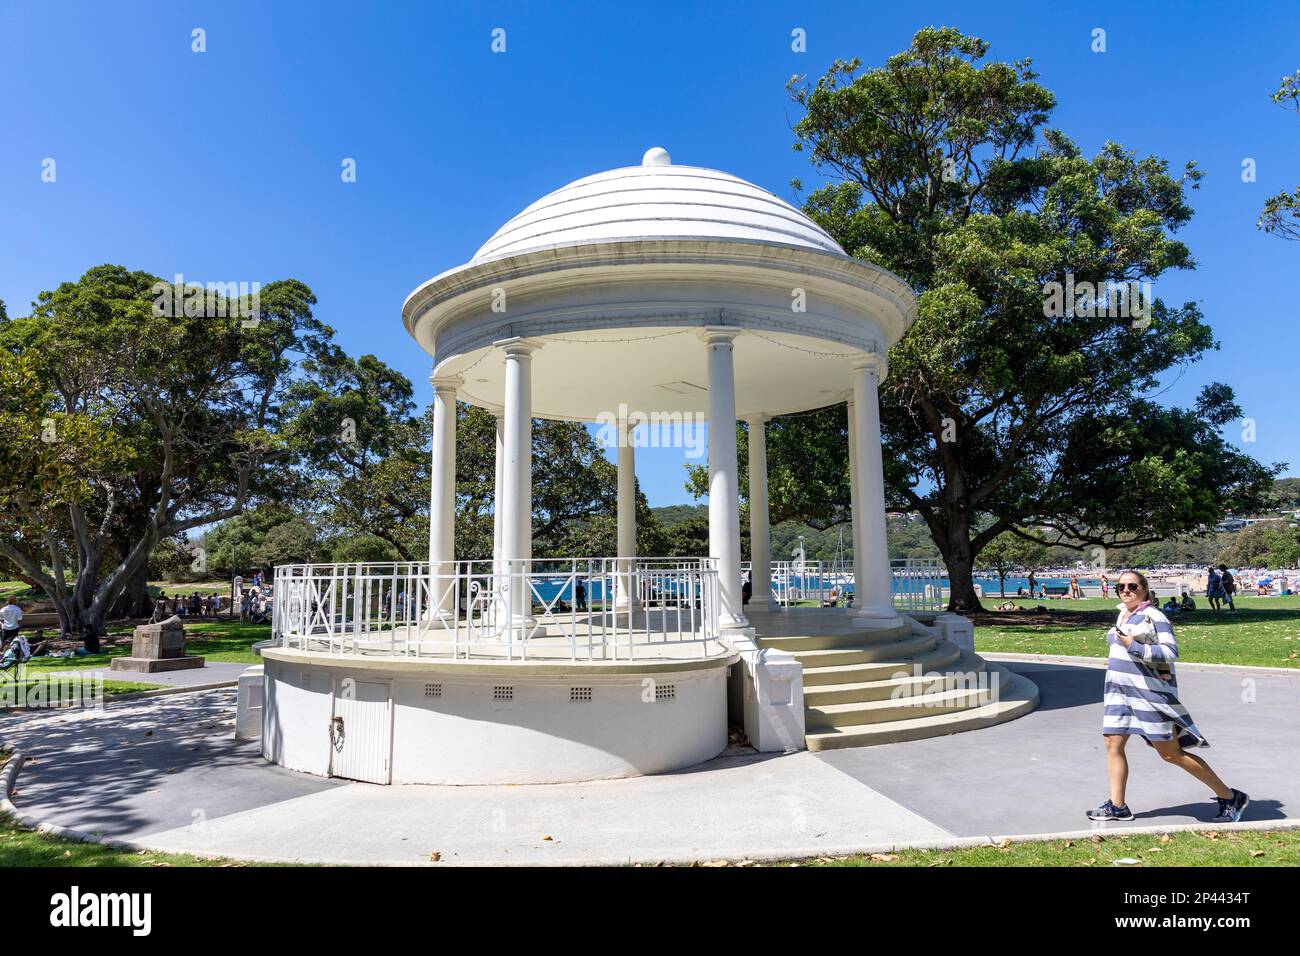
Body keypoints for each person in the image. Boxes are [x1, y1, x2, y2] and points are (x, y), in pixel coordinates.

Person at [1087, 570, 1248, 824]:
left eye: (1132, 586)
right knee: (1112, 744)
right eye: (1121, 587)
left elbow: (1170, 651)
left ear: (1144, 589)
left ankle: (1230, 797)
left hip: (1147, 694)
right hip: (1119, 693)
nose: (1126, 590)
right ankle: (1118, 806)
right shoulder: (1124, 613)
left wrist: (1134, 646)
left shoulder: (1154, 615)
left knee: (1170, 753)